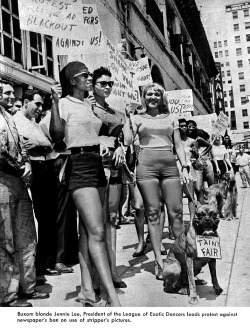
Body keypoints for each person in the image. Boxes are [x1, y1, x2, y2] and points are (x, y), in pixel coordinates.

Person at [49, 61, 120, 307]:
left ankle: (88, 290)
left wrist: (106, 146)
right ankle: (112, 295)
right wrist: (55, 103)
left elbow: (101, 131)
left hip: (97, 164)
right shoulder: (63, 103)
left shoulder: (89, 104)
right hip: (78, 166)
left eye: (90, 75)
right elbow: (57, 136)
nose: (89, 78)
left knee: (87, 232)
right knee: (98, 232)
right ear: (71, 80)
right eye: (84, 75)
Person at [129, 83, 189, 280]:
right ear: (144, 97)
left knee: (176, 213)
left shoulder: (172, 117)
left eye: (157, 93)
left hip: (170, 167)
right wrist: (129, 119)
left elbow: (178, 144)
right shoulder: (137, 117)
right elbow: (128, 141)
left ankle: (181, 259)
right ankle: (158, 261)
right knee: (153, 213)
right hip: (146, 167)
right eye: (149, 94)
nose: (153, 96)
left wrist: (185, 167)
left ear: (162, 97)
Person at [0, 79, 49, 307]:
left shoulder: (10, 117)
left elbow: (22, 147)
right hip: (4, 183)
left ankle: (26, 288)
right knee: (6, 241)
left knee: (26, 237)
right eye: (7, 93)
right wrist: (21, 168)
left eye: (12, 93)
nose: (12, 97)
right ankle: (8, 296)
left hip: (19, 183)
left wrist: (27, 164)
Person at [13, 89, 60, 284]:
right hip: (34, 171)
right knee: (39, 218)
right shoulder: (16, 121)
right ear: (25, 102)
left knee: (49, 217)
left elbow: (48, 144)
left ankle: (46, 262)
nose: (39, 109)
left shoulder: (34, 123)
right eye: (37, 104)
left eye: (41, 105)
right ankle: (36, 267)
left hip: (47, 169)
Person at [92, 66, 131, 290]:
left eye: (110, 84)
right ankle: (97, 275)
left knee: (112, 218)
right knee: (96, 221)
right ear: (93, 84)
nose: (107, 87)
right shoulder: (88, 107)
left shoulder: (116, 111)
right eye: (102, 83)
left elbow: (126, 139)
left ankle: (113, 270)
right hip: (95, 167)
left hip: (115, 167)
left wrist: (120, 147)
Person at [187, 120, 214, 204]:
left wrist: (202, 154)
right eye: (189, 126)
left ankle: (214, 208)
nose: (191, 128)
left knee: (212, 187)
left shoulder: (198, 138)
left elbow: (209, 146)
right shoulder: (185, 139)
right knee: (198, 189)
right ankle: (202, 210)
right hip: (195, 165)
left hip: (205, 163)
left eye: (193, 126)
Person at [178, 118, 197, 221]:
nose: (184, 127)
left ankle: (192, 221)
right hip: (176, 171)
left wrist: (195, 152)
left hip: (188, 171)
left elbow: (197, 156)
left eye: (185, 125)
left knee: (191, 196)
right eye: (181, 126)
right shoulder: (173, 141)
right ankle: (178, 224)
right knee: (177, 199)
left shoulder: (192, 141)